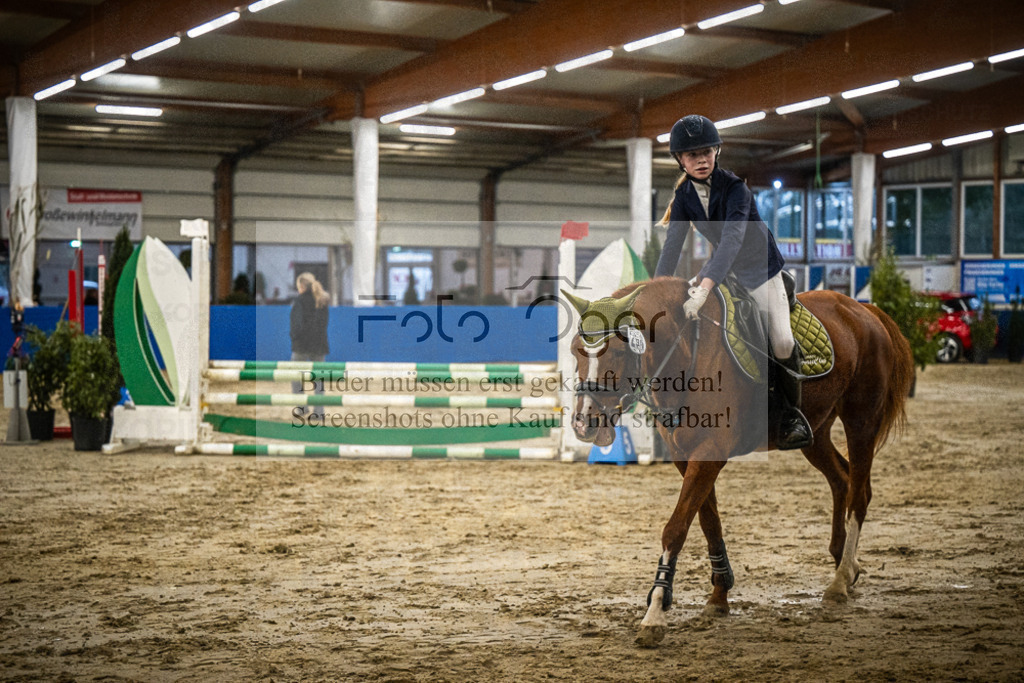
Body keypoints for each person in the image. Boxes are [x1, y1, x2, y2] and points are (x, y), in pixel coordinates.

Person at [654, 114, 812, 450]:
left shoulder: (736, 189)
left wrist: (705, 285)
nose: (700, 159)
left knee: (782, 341)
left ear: (717, 152)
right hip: (721, 271)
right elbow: (672, 246)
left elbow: (732, 241)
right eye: (692, 155)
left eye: (706, 152)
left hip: (759, 271)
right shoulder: (684, 197)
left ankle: (791, 415)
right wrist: (655, 293)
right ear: (680, 160)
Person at [290, 272, 330, 419]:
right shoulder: (322, 300)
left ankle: (301, 407)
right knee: (319, 379)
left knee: (295, 376)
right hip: (319, 345)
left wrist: (294, 339)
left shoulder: (299, 300)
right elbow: (324, 324)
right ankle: (319, 412)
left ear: (301, 286)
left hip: (301, 345)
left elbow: (296, 324)